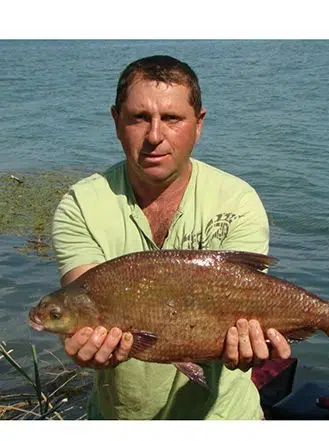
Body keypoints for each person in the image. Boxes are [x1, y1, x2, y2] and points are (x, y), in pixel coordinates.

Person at [52, 55, 291, 420]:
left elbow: (249, 298)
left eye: (172, 118)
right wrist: (85, 342)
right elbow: (83, 299)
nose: (154, 136)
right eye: (139, 118)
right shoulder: (81, 204)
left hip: (226, 419)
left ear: (198, 124)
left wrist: (251, 341)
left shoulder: (237, 199)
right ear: (116, 122)